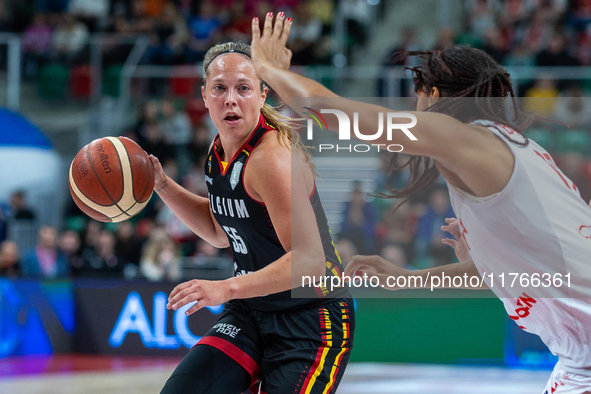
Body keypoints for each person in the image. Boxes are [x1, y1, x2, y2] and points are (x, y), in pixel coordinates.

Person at [252, 13, 591, 393]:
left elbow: (341, 117)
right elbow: (514, 277)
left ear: (435, 95)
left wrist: (268, 69)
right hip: (578, 362)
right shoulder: (512, 152)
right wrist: (409, 279)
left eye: (419, 92)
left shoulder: (464, 138)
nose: (415, 103)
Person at [152, 37, 354, 394]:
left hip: (311, 318)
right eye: (220, 88)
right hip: (252, 313)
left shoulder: (271, 159)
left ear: (262, 95)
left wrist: (225, 288)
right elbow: (220, 231)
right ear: (204, 97)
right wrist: (163, 185)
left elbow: (309, 261)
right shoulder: (218, 151)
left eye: (243, 88)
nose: (230, 99)